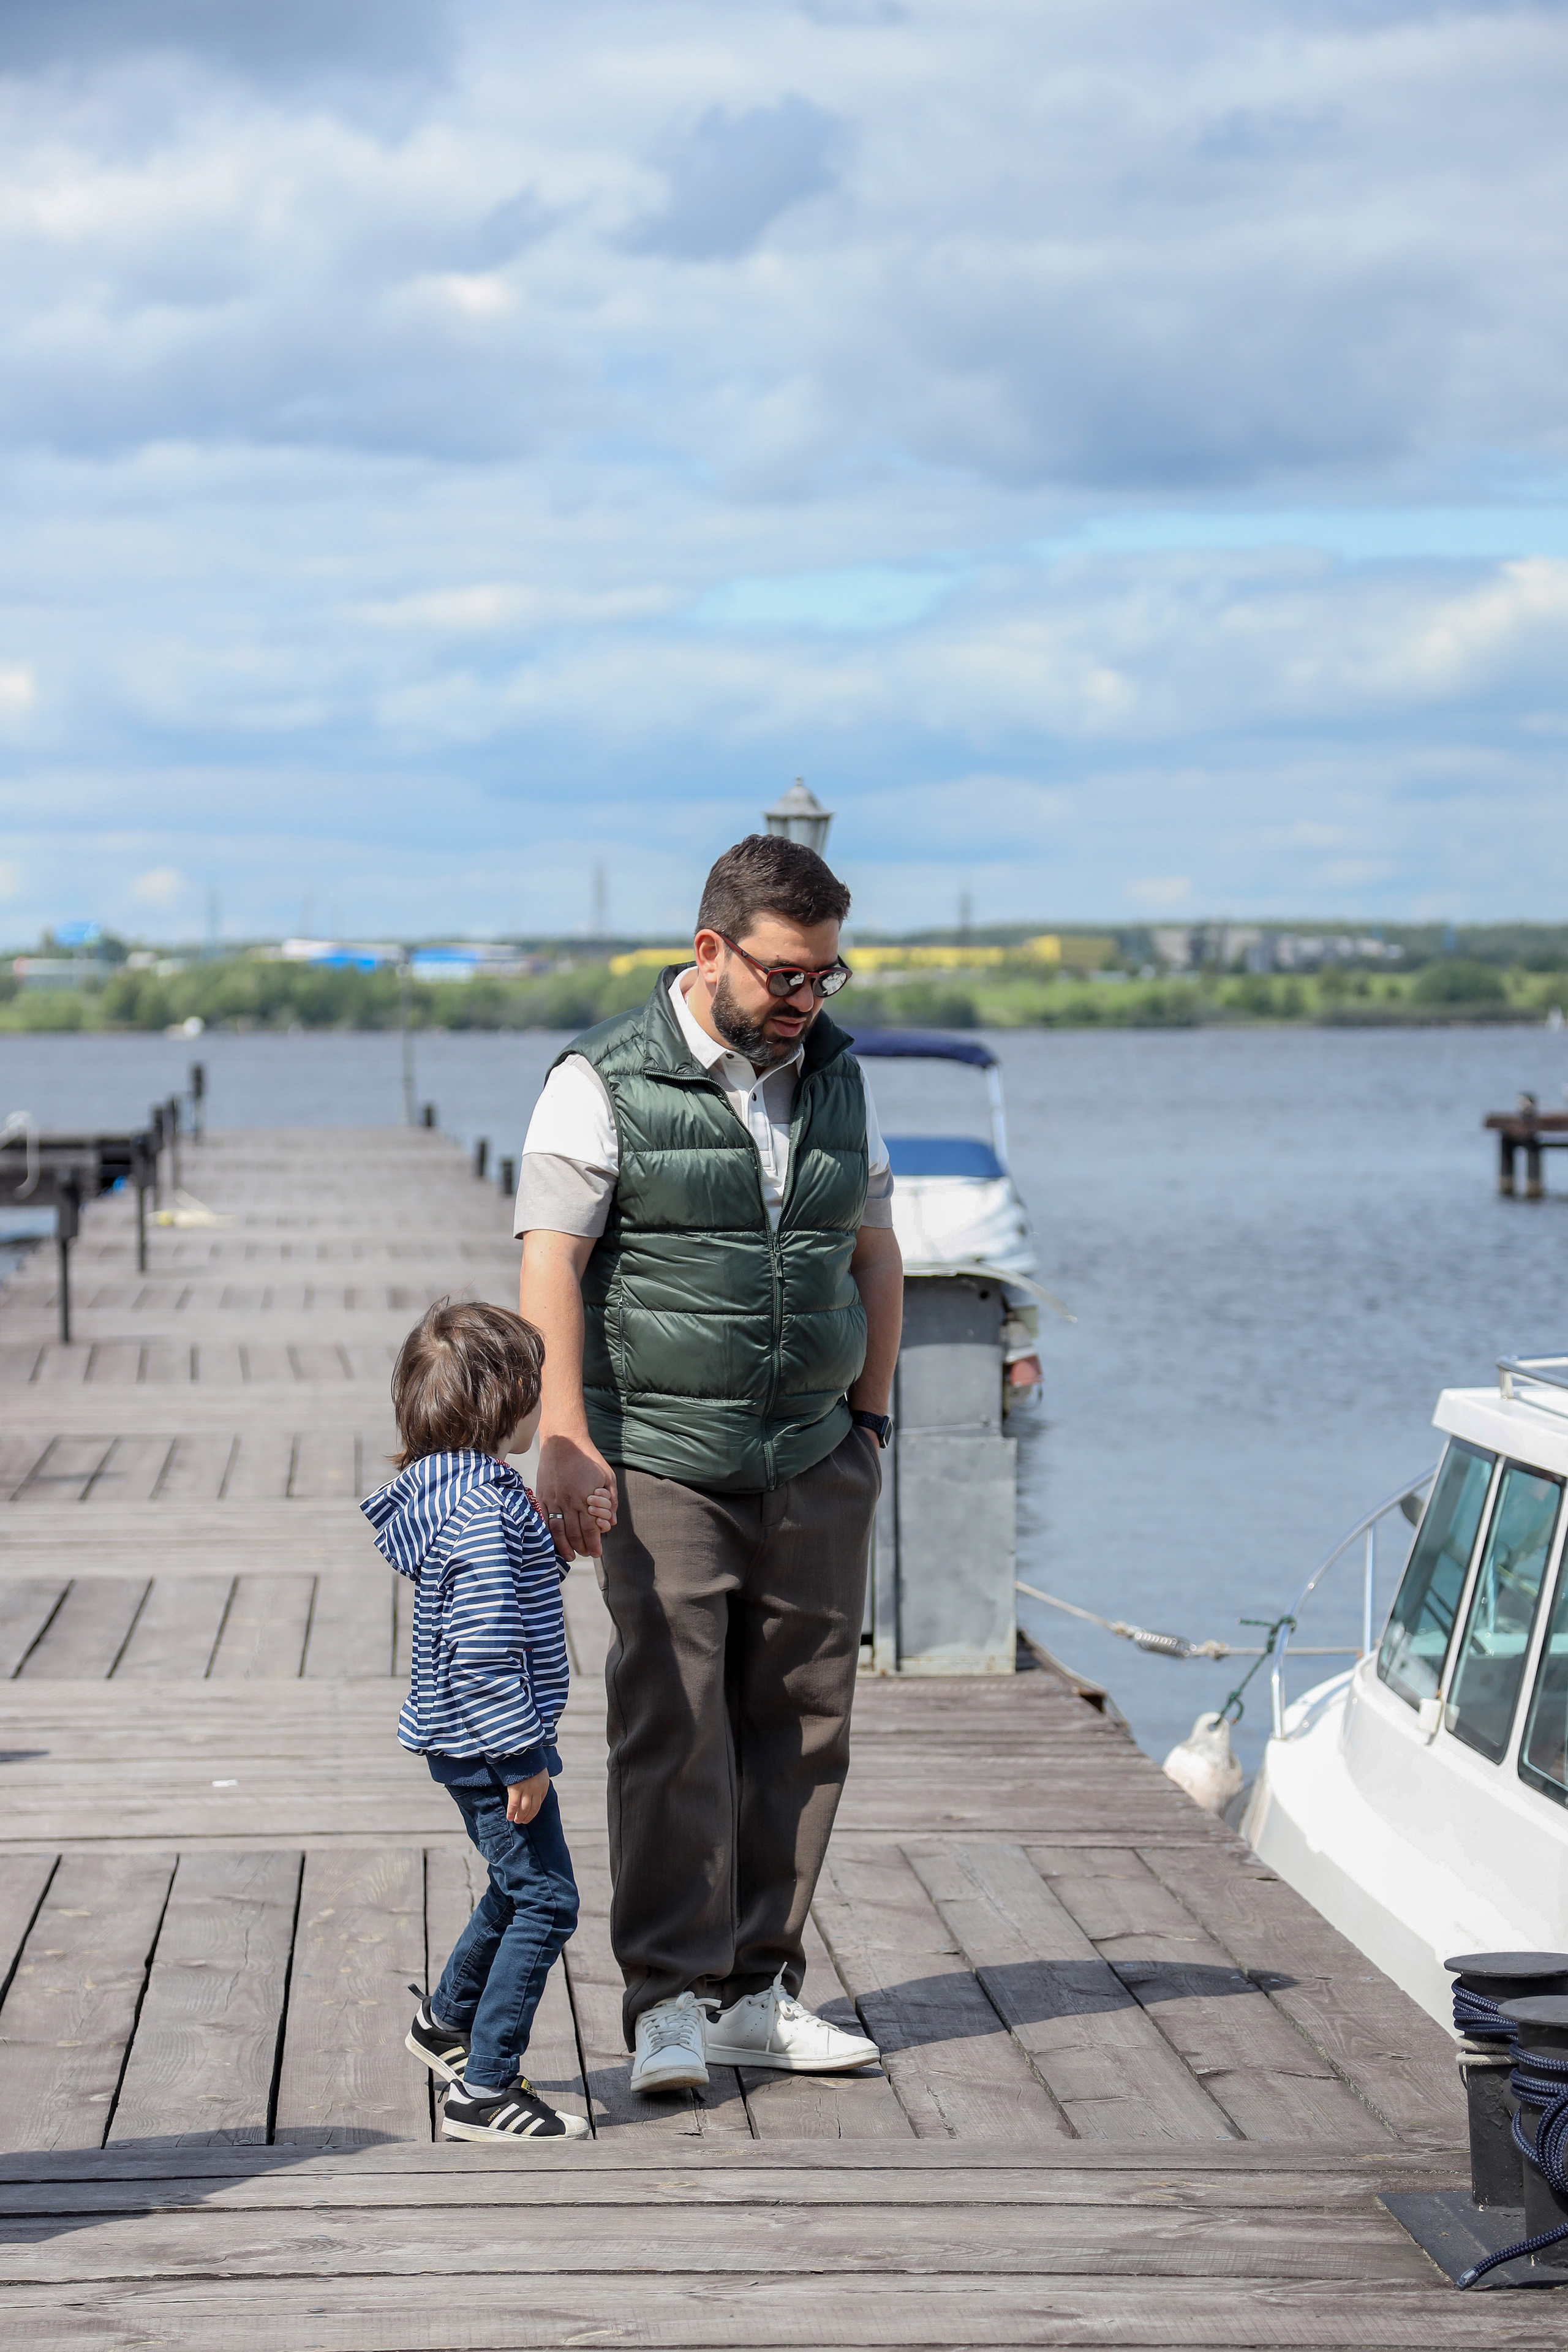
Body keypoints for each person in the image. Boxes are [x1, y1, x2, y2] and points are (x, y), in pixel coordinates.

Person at [517, 832, 902, 2094]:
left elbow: (875, 1248)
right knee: (671, 1721)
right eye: (786, 974)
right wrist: (561, 1436)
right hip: (663, 1460)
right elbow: (548, 1266)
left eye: (824, 977)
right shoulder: (600, 1080)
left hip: (813, 1452)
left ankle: (759, 1989)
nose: (805, 999)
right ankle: (668, 2002)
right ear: (708, 949)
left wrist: (871, 1420)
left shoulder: (836, 1078)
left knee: (803, 1722)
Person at [362, 1298, 611, 2143]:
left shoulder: (456, 1494)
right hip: (491, 1742)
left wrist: (552, 1547)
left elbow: (496, 1600)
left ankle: (446, 2024)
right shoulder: (484, 1516)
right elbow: (483, 1651)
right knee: (549, 1901)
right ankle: (485, 2086)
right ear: (507, 1403)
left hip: (463, 1737)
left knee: (522, 1885)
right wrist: (521, 1760)